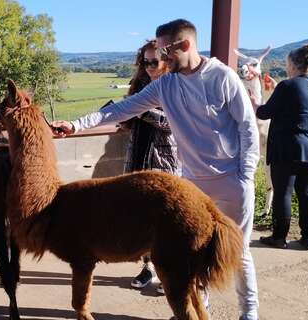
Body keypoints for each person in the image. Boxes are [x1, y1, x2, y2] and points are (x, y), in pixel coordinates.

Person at [51, 19, 260, 320]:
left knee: (239, 252)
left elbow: (247, 127)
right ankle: (201, 312)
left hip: (231, 179)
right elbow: (121, 109)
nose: (161, 59)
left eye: (166, 51)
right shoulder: (166, 85)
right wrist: (75, 125)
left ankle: (249, 314)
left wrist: (245, 174)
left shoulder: (222, 77)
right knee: (192, 255)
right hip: (192, 183)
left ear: (185, 45)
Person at [250, 45, 308, 250]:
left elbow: (264, 113)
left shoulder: (286, 86)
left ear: (292, 64)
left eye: (287, 64)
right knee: (307, 192)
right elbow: (298, 106)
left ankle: (279, 237)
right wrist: (277, 89)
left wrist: (255, 102)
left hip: (288, 149)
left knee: (283, 192)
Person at [124, 40, 179, 294]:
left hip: (164, 162)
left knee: (165, 222)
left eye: (153, 62)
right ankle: (149, 269)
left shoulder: (176, 86)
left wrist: (142, 112)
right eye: (144, 62)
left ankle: (170, 273)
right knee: (141, 220)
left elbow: (174, 123)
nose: (148, 67)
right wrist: (127, 118)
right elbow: (129, 119)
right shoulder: (140, 86)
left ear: (166, 62)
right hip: (138, 158)